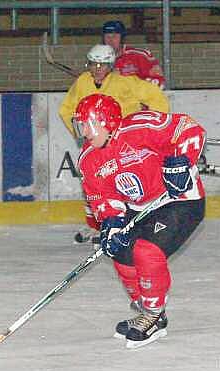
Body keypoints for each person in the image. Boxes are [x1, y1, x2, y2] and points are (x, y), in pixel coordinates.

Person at [72, 93, 206, 348]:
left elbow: (189, 128)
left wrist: (181, 161)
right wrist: (110, 223)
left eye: (89, 125)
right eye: (81, 126)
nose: (85, 133)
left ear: (107, 121)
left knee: (147, 251)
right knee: (120, 252)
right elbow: (103, 198)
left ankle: (153, 316)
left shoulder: (140, 126)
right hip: (138, 207)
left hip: (179, 200)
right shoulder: (88, 159)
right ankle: (148, 308)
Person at [59, 44, 170, 245]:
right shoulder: (83, 81)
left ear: (110, 65)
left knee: (124, 182)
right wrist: (80, 133)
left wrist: (150, 127)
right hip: (97, 141)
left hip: (123, 142)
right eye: (93, 64)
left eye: (102, 65)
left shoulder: (126, 81)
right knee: (93, 183)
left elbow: (156, 97)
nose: (97, 69)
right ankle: (95, 225)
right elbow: (67, 109)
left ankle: (129, 223)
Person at [102, 20, 166, 89]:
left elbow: (159, 81)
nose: (110, 41)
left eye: (115, 37)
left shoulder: (140, 55)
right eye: (107, 37)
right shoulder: (96, 59)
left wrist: (132, 87)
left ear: (122, 38)